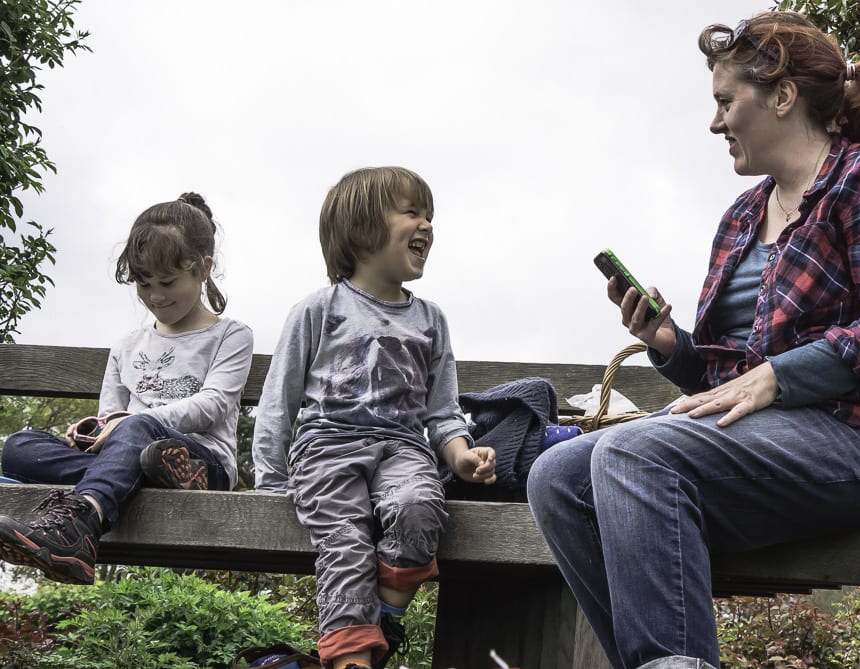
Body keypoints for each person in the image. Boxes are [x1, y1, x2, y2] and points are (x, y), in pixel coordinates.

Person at [527, 11, 860, 669]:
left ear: (782, 96)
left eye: (727, 101)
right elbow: (728, 380)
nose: (715, 122)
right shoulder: (742, 217)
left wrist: (781, 376)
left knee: (635, 457)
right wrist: (673, 346)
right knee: (557, 476)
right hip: (774, 443)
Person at [252, 166, 497, 669]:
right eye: (411, 213)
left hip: (403, 447)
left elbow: (442, 413)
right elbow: (280, 398)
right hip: (328, 445)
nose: (427, 225)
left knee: (419, 506)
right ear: (363, 230)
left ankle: (381, 622)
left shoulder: (431, 319)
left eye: (430, 215)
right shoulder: (320, 308)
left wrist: (462, 455)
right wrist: (271, 482)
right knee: (345, 544)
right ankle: (353, 659)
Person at [0, 193, 254, 586]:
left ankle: (79, 524)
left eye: (168, 281)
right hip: (135, 455)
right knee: (19, 446)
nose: (155, 296)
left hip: (206, 460)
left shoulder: (230, 335)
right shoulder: (126, 346)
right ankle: (146, 474)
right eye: (143, 282)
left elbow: (214, 405)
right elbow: (109, 416)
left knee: (138, 432)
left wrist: (130, 423)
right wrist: (90, 431)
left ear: (204, 268)